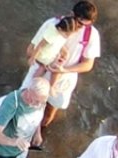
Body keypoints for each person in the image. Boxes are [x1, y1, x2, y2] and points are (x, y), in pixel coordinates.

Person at [22, 1, 98, 132]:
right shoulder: (52, 24)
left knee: (49, 112)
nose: (80, 28)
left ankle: (38, 134)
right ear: (71, 14)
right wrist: (43, 62)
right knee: (25, 105)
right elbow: (31, 50)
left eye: (85, 25)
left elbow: (88, 64)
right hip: (42, 69)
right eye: (79, 23)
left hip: (63, 78)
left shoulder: (91, 35)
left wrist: (64, 69)